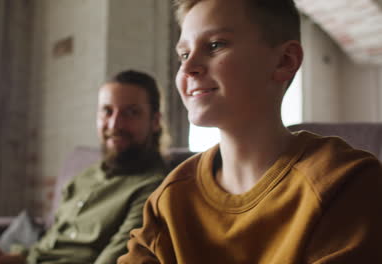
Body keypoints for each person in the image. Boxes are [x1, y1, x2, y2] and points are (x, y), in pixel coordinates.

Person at [118, 0, 382, 263]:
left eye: (215, 45)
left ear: (284, 61)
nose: (187, 68)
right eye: (184, 54)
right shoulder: (170, 198)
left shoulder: (345, 183)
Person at [0, 70, 168, 264]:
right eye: (107, 111)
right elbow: (48, 244)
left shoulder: (152, 189)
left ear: (155, 121)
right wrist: (11, 258)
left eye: (131, 113)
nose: (115, 124)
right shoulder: (85, 177)